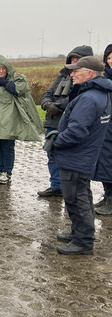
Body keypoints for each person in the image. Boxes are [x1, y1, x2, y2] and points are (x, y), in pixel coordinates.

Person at [51, 56, 112, 255]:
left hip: (76, 156)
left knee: (76, 199)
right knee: (82, 195)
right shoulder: (101, 94)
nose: (72, 74)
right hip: (84, 156)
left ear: (89, 74)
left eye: (76, 71)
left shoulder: (88, 98)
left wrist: (56, 141)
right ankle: (79, 233)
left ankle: (83, 241)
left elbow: (77, 131)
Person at [38, 45, 94, 198]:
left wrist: (58, 105)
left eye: (78, 59)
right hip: (53, 121)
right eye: (73, 59)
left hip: (69, 123)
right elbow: (47, 93)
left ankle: (72, 189)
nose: (74, 61)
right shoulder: (62, 76)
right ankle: (56, 186)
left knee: (70, 157)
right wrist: (47, 104)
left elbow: (77, 96)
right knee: (52, 154)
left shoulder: (85, 79)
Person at [0, 56, 43, 184]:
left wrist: (5, 83)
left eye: (2, 68)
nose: (0, 71)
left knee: (7, 146)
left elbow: (19, 90)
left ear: (7, 69)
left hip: (9, 122)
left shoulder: (17, 79)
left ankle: (7, 172)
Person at [93, 44, 112, 216]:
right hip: (105, 126)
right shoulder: (105, 79)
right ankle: (108, 196)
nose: (111, 61)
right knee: (104, 164)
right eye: (109, 57)